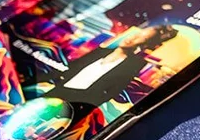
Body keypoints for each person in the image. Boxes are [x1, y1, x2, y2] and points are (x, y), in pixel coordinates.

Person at [50, 25, 181, 108]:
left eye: (142, 38)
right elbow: (70, 69)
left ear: (146, 44)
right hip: (55, 91)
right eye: (138, 32)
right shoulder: (100, 51)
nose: (134, 37)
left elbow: (108, 93)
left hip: (78, 105)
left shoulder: (133, 66)